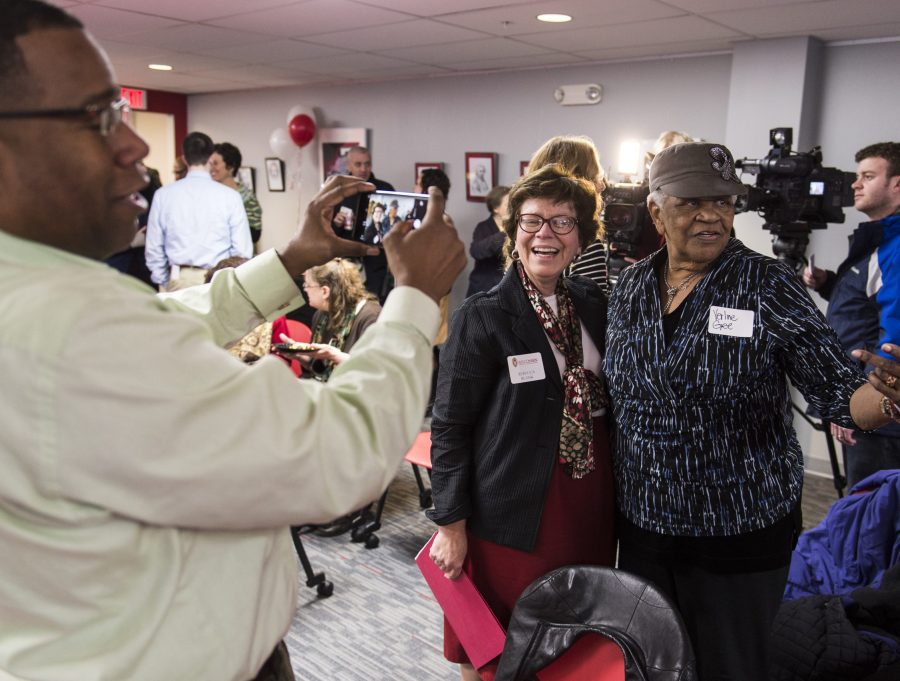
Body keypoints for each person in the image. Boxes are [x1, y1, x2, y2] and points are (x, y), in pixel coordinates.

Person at [0, 5, 467, 681]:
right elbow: (339, 453)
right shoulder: (69, 323)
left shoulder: (44, 296)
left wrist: (284, 263)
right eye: (101, 116)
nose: (134, 145)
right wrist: (415, 299)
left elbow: (164, 321)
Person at [604, 141, 900, 681]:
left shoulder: (767, 285)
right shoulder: (629, 289)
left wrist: (884, 397)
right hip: (646, 529)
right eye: (693, 202)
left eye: (724, 201)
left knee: (732, 668)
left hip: (737, 537)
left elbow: (839, 393)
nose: (712, 214)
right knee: (649, 666)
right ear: (655, 211)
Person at [428, 165, 615, 681]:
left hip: (589, 496)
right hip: (511, 503)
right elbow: (449, 424)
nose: (546, 234)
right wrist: (451, 523)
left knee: (575, 634)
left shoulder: (595, 305)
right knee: (496, 642)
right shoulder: (484, 314)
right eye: (532, 221)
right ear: (513, 232)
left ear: (581, 237)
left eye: (562, 222)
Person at [802, 141, 900, 487]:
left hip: (881, 417)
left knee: (875, 518)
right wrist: (828, 283)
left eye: (868, 176)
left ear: (897, 185)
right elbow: (869, 307)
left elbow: (894, 340)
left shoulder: (896, 246)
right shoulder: (879, 240)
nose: (855, 184)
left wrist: (858, 405)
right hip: (871, 405)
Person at [145, 131, 252, 290]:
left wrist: (164, 281)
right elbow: (242, 250)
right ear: (210, 158)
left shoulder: (163, 195)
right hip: (218, 281)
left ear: (184, 158)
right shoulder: (231, 197)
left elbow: (154, 246)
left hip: (177, 279)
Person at [528, 135, 610, 293]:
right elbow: (593, 310)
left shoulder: (525, 230)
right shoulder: (583, 238)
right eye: (597, 178)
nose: (602, 187)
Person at [332, 146, 396, 301]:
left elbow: (395, 228)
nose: (363, 169)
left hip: (377, 264)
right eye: (358, 164)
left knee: (374, 309)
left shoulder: (385, 189)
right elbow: (328, 233)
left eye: (367, 164)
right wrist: (336, 224)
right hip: (347, 264)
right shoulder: (337, 191)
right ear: (348, 166)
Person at [210, 141, 263, 247]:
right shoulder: (209, 194)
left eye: (215, 163)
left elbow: (254, 234)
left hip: (238, 259)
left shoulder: (246, 197)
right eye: (210, 164)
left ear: (230, 166)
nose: (211, 168)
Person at [465, 184, 510, 297]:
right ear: (496, 208)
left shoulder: (519, 227)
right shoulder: (483, 227)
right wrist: (505, 233)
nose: (513, 207)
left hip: (506, 289)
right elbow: (475, 251)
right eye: (508, 204)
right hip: (484, 289)